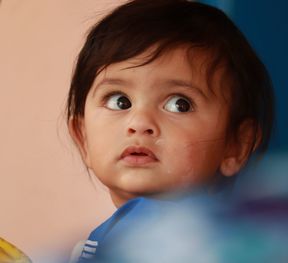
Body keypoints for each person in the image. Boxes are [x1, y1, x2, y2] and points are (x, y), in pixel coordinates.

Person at [66, 0, 274, 262]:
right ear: (82, 137)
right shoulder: (94, 245)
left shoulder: (224, 248)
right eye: (120, 101)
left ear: (236, 145)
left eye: (179, 104)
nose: (139, 122)